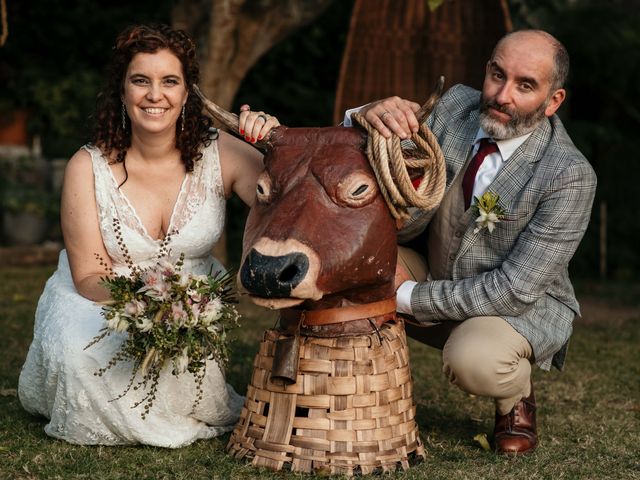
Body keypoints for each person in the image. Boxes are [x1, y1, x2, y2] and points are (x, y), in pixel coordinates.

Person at [17, 24, 278, 447]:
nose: (155, 95)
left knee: (175, 363)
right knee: (77, 355)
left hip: (191, 307)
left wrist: (272, 143)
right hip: (104, 297)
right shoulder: (87, 168)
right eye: (141, 81)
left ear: (187, 92)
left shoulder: (221, 153)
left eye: (169, 81)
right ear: (122, 92)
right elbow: (88, 273)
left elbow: (285, 201)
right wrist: (149, 308)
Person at [344, 29, 597, 454]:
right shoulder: (455, 106)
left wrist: (405, 296)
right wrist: (367, 114)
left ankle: (515, 398)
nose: (502, 95)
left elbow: (514, 289)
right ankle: (354, 392)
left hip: (516, 309)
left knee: (473, 361)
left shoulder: (568, 175)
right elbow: (368, 155)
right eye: (498, 75)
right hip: (434, 267)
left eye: (525, 85)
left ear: (554, 102)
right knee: (349, 270)